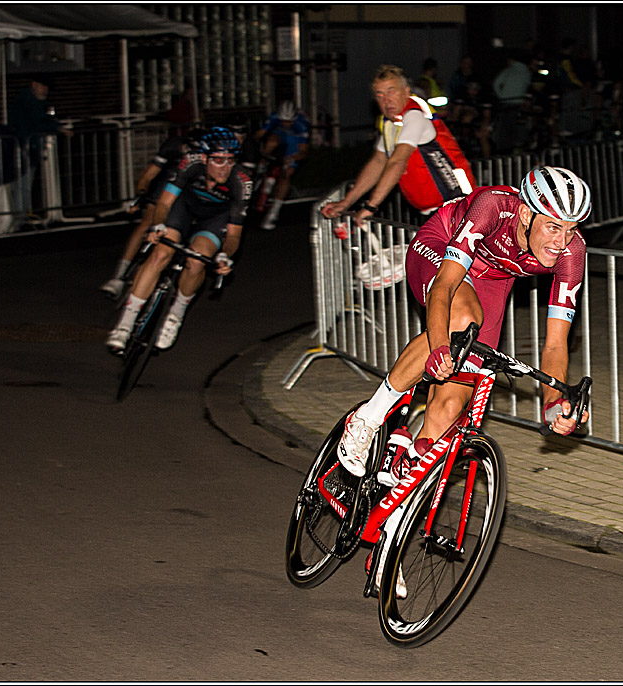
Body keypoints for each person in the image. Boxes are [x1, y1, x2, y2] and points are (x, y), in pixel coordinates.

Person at [335, 166, 592, 483]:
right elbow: (443, 286)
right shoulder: (493, 206)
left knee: (451, 406)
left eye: (571, 229)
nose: (561, 241)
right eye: (553, 227)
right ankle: (366, 419)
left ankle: (395, 502)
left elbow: (555, 343)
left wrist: (554, 401)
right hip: (441, 248)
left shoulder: (572, 252)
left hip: (494, 280)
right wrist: (440, 346)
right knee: (463, 320)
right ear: (526, 214)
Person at [105, 127, 251, 353]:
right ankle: (124, 325)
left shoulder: (241, 181)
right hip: (184, 207)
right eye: (219, 161)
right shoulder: (190, 163)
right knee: (161, 253)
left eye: (230, 160)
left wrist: (225, 255)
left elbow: (233, 234)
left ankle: (176, 314)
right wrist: (159, 225)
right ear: (204, 158)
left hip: (214, 218)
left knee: (198, 260)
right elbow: (163, 204)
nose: (225, 167)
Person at [320, 65, 476, 226]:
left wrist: (371, 206)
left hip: (457, 208)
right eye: (380, 95)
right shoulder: (391, 123)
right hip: (433, 211)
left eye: (391, 91)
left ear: (406, 92)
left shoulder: (415, 116)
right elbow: (378, 162)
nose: (386, 100)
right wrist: (346, 202)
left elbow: (397, 161)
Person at [99, 127, 208, 299]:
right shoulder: (173, 146)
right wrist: (141, 193)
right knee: (147, 222)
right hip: (168, 184)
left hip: (193, 191)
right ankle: (119, 276)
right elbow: (150, 174)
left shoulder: (209, 160)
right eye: (188, 149)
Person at [7, 74, 73, 220]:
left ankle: (22, 215)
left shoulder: (30, 100)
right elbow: (38, 121)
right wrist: (58, 128)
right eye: (43, 86)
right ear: (34, 85)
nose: (45, 90)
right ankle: (20, 218)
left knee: (23, 184)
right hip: (24, 147)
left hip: (27, 146)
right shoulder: (28, 101)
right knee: (22, 184)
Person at [252, 100, 311, 230]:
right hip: (279, 137)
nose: (286, 124)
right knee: (272, 141)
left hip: (293, 145)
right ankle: (262, 169)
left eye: (289, 121)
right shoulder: (274, 117)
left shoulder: (302, 125)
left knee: (287, 174)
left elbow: (303, 152)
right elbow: (258, 135)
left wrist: (291, 159)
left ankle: (274, 212)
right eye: (283, 121)